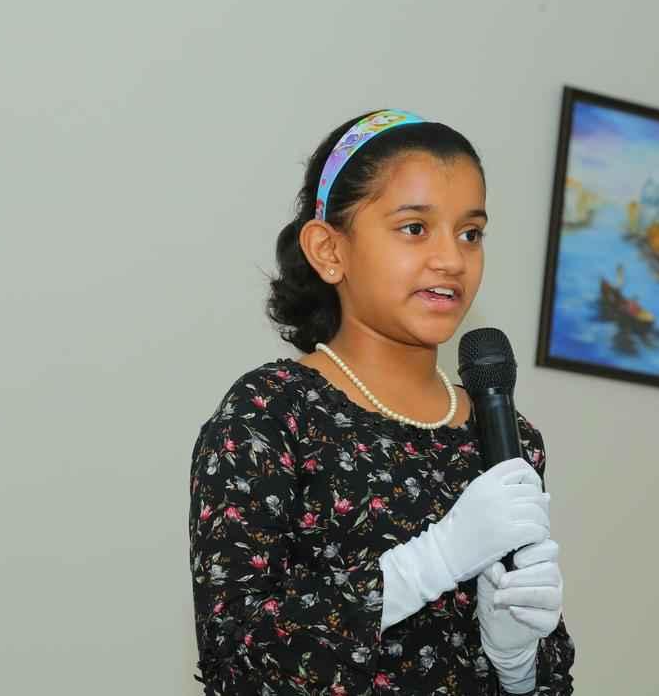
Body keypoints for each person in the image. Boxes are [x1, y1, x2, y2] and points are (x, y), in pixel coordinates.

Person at [189, 109, 575, 695]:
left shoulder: (506, 436)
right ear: (329, 250)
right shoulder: (270, 413)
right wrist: (432, 561)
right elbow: (238, 661)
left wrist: (517, 663)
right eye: (415, 228)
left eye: (470, 233)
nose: (452, 259)